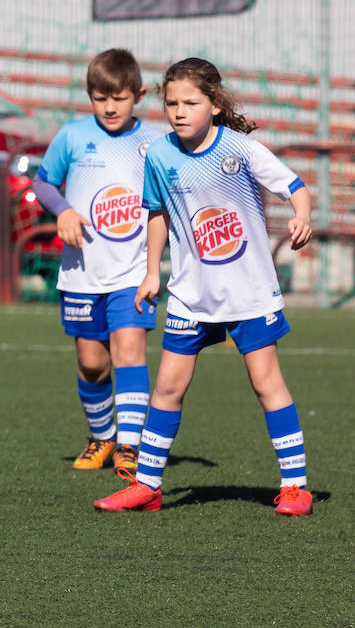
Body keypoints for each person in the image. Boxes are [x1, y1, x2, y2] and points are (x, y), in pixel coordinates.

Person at [94, 57, 314, 515]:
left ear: (214, 105)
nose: (179, 111)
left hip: (249, 291)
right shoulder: (158, 154)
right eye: (171, 103)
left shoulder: (241, 150)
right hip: (192, 294)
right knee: (168, 386)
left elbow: (296, 187)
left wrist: (302, 216)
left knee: (265, 382)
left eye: (190, 103)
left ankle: (295, 486)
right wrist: (152, 271)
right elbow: (155, 213)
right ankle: (148, 485)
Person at [33, 49, 166, 474]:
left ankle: (129, 445)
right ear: (89, 96)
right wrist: (64, 211)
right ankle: (102, 437)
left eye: (120, 97)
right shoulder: (72, 136)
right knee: (92, 365)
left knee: (129, 353)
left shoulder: (155, 143)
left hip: (133, 270)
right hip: (82, 273)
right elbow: (43, 182)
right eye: (100, 97)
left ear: (138, 96)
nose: (110, 106)